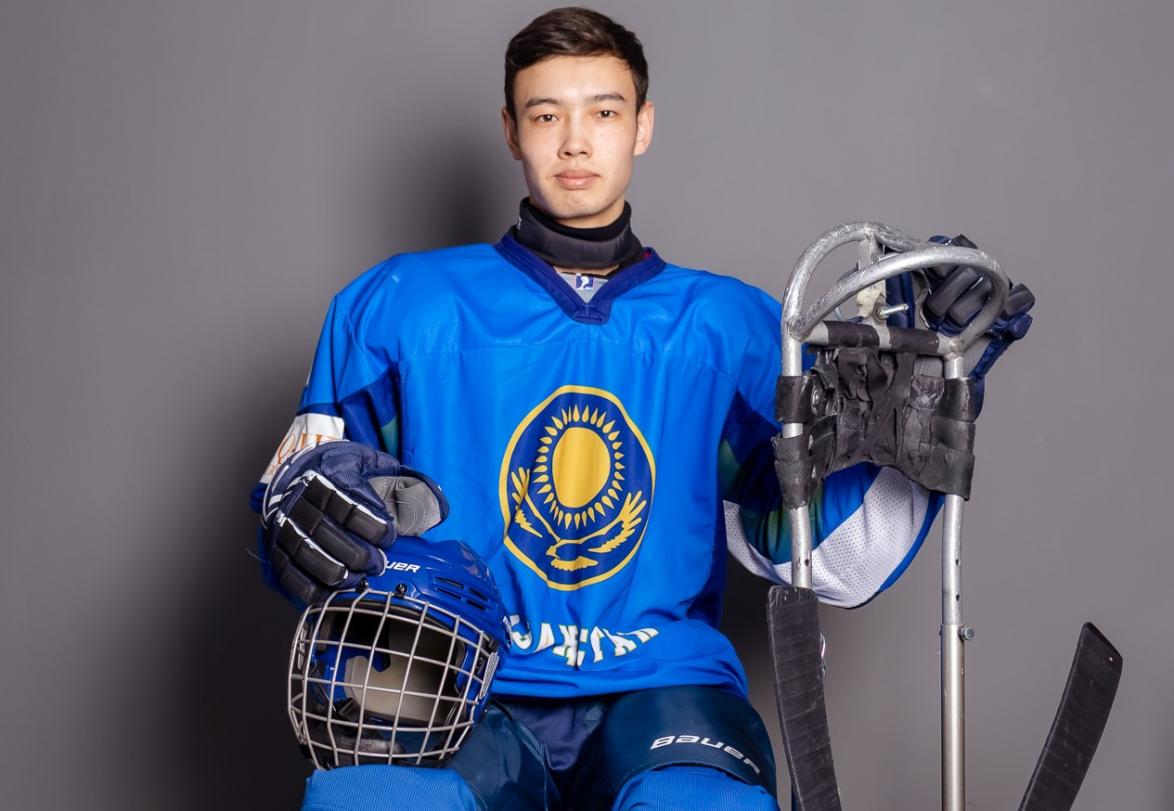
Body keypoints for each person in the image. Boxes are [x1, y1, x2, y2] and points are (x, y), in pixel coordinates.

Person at [252, 8, 1033, 810]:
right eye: (546, 114)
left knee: (700, 805)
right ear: (511, 131)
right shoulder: (398, 308)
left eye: (604, 111)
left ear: (643, 125)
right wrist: (314, 497)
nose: (575, 141)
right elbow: (306, 494)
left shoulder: (734, 327)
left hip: (665, 682)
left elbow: (836, 558)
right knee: (376, 802)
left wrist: (937, 370)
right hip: (459, 674)